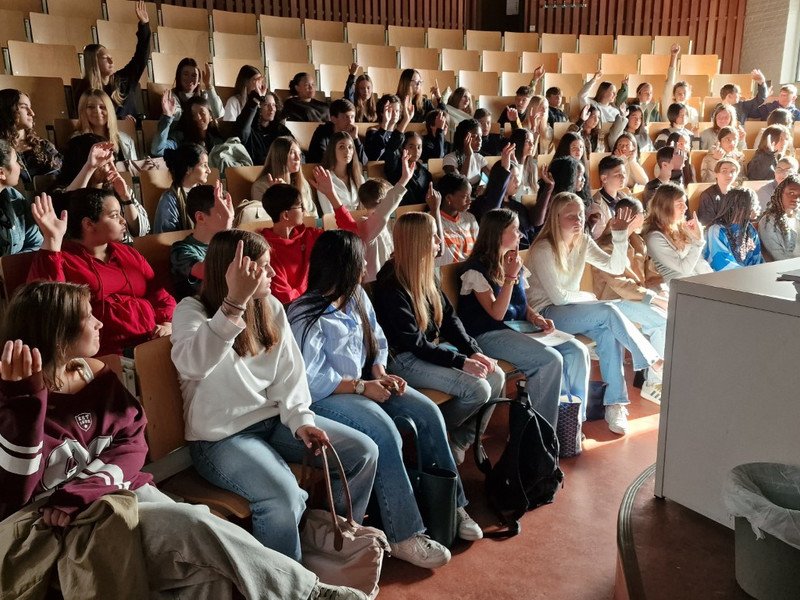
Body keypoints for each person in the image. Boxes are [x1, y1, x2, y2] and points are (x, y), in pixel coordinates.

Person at [0, 280, 368, 600]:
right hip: (69, 524)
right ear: (58, 331)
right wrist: (26, 403)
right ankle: (309, 594)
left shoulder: (93, 372)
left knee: (204, 571)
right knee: (192, 523)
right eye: (86, 316)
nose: (99, 322)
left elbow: (133, 443)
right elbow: (19, 493)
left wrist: (84, 488)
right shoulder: (15, 397)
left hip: (113, 493)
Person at [170, 229, 378, 562]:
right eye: (263, 267)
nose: (271, 274)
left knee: (363, 452)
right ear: (235, 273)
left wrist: (300, 420)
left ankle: (322, 540)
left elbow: (290, 377)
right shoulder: (191, 311)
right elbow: (194, 365)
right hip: (221, 438)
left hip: (272, 422)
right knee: (283, 497)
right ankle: (288, 584)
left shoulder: (270, 307)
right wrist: (233, 304)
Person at [288, 230, 481, 567]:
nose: (366, 264)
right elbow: (312, 379)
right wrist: (362, 388)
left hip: (364, 383)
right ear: (342, 265)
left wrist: (379, 372)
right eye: (360, 259)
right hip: (327, 397)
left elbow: (376, 339)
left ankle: (452, 506)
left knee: (427, 414)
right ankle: (403, 534)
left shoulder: (356, 297)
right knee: (385, 432)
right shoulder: (305, 313)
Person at [372, 212, 505, 463]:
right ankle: (434, 434)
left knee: (495, 375)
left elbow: (450, 320)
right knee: (477, 389)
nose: (439, 242)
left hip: (428, 350)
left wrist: (473, 351)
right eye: (433, 236)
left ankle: (459, 439)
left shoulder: (428, 270)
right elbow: (414, 343)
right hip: (403, 359)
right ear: (418, 242)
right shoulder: (390, 281)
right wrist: (461, 362)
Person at [524, 192, 662, 434]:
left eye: (580, 215)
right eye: (571, 216)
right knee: (608, 310)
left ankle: (615, 404)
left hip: (573, 310)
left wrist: (620, 237)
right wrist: (589, 297)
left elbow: (615, 267)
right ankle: (649, 359)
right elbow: (557, 298)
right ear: (555, 219)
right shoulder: (543, 249)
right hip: (546, 314)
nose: (578, 220)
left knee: (608, 331)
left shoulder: (582, 241)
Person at [458, 208, 590, 430]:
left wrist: (536, 317)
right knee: (550, 360)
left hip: (518, 328)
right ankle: (540, 434)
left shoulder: (513, 261)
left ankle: (571, 423)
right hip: (488, 334)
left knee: (577, 350)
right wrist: (510, 276)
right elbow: (497, 313)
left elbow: (521, 303)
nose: (520, 235)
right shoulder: (476, 270)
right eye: (515, 230)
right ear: (498, 233)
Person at [28, 190, 175, 356]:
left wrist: (167, 323)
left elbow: (160, 295)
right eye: (114, 215)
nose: (123, 221)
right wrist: (52, 239)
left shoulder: (129, 253)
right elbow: (50, 307)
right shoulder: (60, 258)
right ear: (89, 224)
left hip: (151, 341)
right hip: (106, 353)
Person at [593, 198, 667, 403]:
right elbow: (619, 284)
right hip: (613, 302)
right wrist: (652, 298)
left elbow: (650, 275)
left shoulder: (637, 240)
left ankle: (654, 376)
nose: (645, 216)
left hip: (635, 298)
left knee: (669, 312)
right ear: (633, 216)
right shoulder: (606, 245)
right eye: (642, 212)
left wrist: (662, 292)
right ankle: (653, 384)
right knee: (661, 321)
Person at [260, 169, 358, 304]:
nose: (304, 210)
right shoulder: (265, 247)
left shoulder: (310, 235)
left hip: (317, 302)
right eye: (300, 206)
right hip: (294, 311)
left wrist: (331, 195)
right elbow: (285, 297)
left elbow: (350, 235)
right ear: (286, 215)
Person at [53, 134, 149, 239]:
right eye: (106, 164)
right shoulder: (60, 193)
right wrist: (90, 167)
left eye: (113, 162)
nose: (113, 168)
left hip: (124, 251)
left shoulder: (118, 188)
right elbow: (66, 214)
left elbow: (141, 232)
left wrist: (126, 198)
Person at [75, 1, 151, 120]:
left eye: (111, 58)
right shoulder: (85, 90)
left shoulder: (123, 79)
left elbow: (141, 58)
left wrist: (144, 26)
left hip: (129, 134)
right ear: (94, 63)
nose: (111, 61)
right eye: (106, 59)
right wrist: (120, 121)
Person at [356, 151, 413, 282]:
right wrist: (403, 180)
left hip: (387, 279)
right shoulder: (364, 224)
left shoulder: (380, 223)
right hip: (373, 284)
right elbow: (383, 212)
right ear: (383, 201)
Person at [171, 182, 234, 299]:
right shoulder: (181, 250)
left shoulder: (230, 243)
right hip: (201, 310)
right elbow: (209, 271)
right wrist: (226, 231)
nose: (228, 216)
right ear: (200, 217)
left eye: (228, 211)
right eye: (222, 212)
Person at [642, 183, 713, 283]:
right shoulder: (654, 238)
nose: (685, 207)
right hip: (679, 288)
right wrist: (698, 241)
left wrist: (712, 279)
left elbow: (698, 261)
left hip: (698, 281)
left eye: (685, 203)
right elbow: (684, 269)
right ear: (665, 207)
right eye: (680, 204)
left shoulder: (681, 227)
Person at [0, 89, 62, 188]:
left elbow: (59, 179)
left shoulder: (44, 146)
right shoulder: (1, 150)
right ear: (7, 110)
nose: (32, 113)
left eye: (30, 107)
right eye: (24, 107)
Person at [251, 136, 316, 217]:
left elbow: (313, 216)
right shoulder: (260, 186)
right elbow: (267, 220)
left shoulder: (303, 183)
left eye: (299, 154)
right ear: (279, 156)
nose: (298, 158)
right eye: (292, 153)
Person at [154, 143, 211, 233]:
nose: (209, 170)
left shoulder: (208, 194)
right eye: (204, 165)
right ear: (188, 169)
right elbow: (167, 238)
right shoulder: (169, 200)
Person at [703, 188, 764, 270]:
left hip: (748, 276)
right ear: (733, 207)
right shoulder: (716, 231)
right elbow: (721, 263)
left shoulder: (749, 229)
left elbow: (758, 260)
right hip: (725, 278)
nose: (754, 208)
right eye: (752, 204)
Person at [0, 139, 42, 256]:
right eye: (16, 161)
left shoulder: (15, 198)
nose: (20, 167)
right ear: (1, 173)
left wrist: (9, 266)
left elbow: (35, 244)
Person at [152, 94, 225, 157]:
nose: (198, 118)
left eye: (202, 113)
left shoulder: (217, 140)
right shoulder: (180, 137)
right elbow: (158, 151)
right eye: (193, 115)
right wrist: (167, 117)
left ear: (211, 116)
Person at [74, 89, 137, 161]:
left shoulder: (127, 141)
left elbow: (135, 171)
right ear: (83, 111)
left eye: (102, 107)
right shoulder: (76, 143)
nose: (97, 111)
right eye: (91, 107)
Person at [236, 90, 292, 166]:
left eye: (273, 105)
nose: (272, 109)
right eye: (266, 105)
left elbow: (294, 147)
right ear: (258, 107)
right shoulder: (249, 128)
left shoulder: (280, 129)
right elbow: (242, 130)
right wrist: (254, 101)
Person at [307, 98, 368, 165]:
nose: (350, 121)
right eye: (346, 117)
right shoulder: (322, 132)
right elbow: (322, 160)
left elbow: (364, 162)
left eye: (352, 117)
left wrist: (355, 139)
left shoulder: (352, 133)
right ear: (334, 119)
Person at [317, 132, 364, 214]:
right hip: (337, 225)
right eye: (341, 147)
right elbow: (329, 215)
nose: (347, 151)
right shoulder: (324, 179)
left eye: (350, 147)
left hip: (360, 224)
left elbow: (365, 210)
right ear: (333, 151)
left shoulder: (359, 178)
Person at [587, 155, 633, 238]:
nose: (623, 177)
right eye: (618, 175)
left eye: (624, 173)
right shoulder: (596, 206)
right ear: (604, 178)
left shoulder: (624, 197)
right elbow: (599, 239)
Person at [758, 173, 800, 260]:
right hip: (786, 269)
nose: (796, 198)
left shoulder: (798, 217)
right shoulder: (768, 221)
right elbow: (779, 257)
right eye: (791, 193)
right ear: (780, 194)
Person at [167, 57, 223, 121]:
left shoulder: (204, 94)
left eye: (194, 75)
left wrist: (208, 85)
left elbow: (217, 113)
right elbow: (177, 117)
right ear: (179, 76)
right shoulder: (171, 96)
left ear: (198, 80)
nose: (189, 79)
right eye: (185, 74)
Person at [443, 119, 489, 188]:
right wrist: (469, 156)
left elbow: (487, 175)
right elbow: (460, 184)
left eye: (480, 136)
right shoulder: (450, 159)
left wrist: (483, 186)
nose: (479, 140)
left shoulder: (478, 157)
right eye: (474, 136)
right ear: (463, 138)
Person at [553, 132, 592, 207]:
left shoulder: (582, 168)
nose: (578, 151)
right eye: (574, 148)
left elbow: (587, 198)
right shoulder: (557, 169)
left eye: (581, 147)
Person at [663, 45, 699, 125]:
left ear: (689, 94)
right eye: (679, 93)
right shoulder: (668, 106)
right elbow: (670, 81)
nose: (682, 95)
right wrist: (674, 56)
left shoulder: (693, 111)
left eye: (684, 93)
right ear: (674, 94)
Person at [364, 94, 402, 161]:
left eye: (397, 111)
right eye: (391, 111)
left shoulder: (397, 134)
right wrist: (385, 123)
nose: (395, 114)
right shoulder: (372, 131)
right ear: (382, 112)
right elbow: (374, 157)